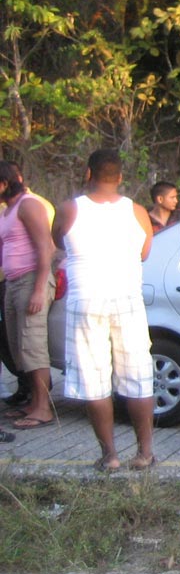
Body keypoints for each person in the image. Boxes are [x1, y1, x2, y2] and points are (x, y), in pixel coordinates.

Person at [52, 149, 157, 471]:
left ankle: (109, 455)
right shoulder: (137, 212)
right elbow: (144, 252)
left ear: (88, 173)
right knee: (138, 375)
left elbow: (58, 240)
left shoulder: (69, 210)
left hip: (85, 300)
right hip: (126, 299)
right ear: (121, 177)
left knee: (93, 378)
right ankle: (144, 453)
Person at [0, 160, 57, 434]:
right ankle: (33, 401)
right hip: (12, 283)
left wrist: (38, 288)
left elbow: (46, 246)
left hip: (31, 280)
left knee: (33, 345)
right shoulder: (7, 210)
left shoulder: (28, 204)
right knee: (18, 347)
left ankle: (44, 408)